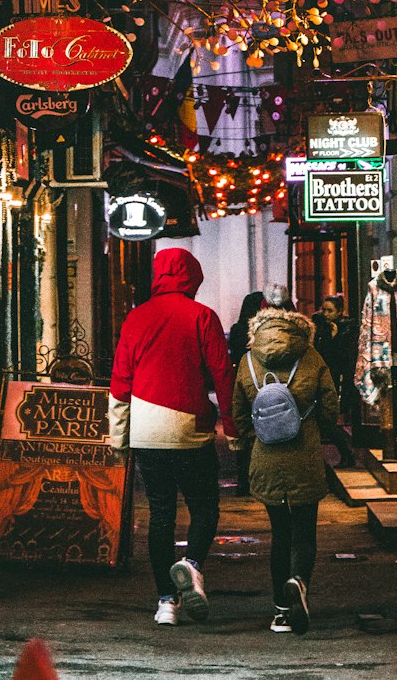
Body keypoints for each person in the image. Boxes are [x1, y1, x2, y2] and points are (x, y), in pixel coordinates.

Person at [108, 248, 237, 628]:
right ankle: (192, 564)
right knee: (204, 506)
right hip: (189, 428)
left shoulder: (136, 318)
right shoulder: (202, 317)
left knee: (160, 514)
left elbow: (120, 382)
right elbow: (222, 374)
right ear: (193, 278)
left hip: (146, 431)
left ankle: (166, 602)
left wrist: (118, 438)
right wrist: (231, 427)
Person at [232, 306, 340, 636]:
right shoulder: (310, 356)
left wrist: (258, 437)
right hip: (304, 455)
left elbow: (239, 412)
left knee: (280, 535)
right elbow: (330, 404)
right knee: (304, 530)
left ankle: (280, 611)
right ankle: (299, 581)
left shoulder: (249, 360)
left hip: (266, 459)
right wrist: (318, 430)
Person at [228, 283, 295, 495]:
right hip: (286, 384)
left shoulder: (244, 331)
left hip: (253, 380)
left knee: (250, 428)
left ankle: (245, 479)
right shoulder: (295, 332)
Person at [312, 295, 356, 468]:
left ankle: (347, 454)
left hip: (339, 379)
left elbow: (344, 356)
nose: (326, 314)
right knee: (325, 419)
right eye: (324, 309)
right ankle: (346, 454)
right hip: (323, 378)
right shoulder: (320, 328)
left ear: (339, 312)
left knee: (329, 419)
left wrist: (335, 335)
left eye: (330, 310)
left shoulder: (347, 329)